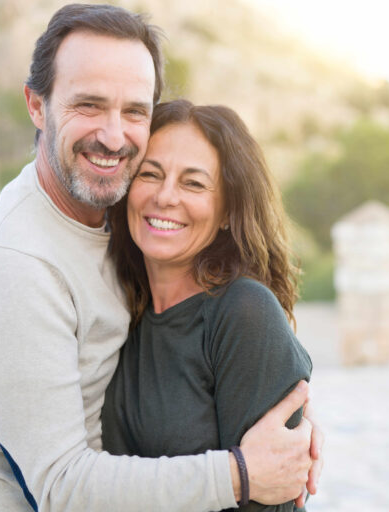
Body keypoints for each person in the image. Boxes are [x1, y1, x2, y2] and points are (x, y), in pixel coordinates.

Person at [0, 4, 322, 512]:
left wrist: (286, 438)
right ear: (35, 105)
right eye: (89, 105)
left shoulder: (116, 229)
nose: (114, 137)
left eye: (135, 110)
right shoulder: (12, 262)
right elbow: (63, 486)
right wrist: (242, 474)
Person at [101, 99, 313, 512]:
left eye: (193, 184)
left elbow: (276, 496)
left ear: (227, 213)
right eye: (150, 173)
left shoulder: (244, 313)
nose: (165, 197)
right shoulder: (116, 304)